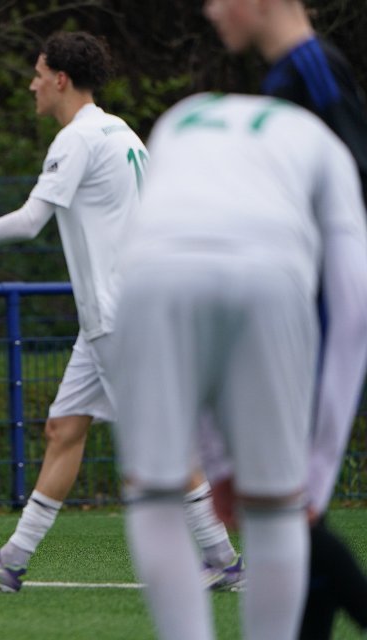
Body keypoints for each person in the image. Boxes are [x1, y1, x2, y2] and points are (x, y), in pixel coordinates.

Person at [0, 31, 240, 592]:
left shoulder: (79, 137)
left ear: (60, 79)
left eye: (39, 74)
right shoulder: (121, 132)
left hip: (120, 317)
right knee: (63, 429)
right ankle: (12, 561)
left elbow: (30, 221)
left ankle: (224, 559)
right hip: (109, 320)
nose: (32, 85)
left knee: (162, 443)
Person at [112, 92, 367, 640]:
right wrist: (315, 476)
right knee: (276, 511)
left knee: (155, 496)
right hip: (270, 272)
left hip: (152, 271)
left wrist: (218, 464)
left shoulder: (182, 115)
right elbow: (354, 309)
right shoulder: (326, 141)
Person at [204, 1, 367, 635]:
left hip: (323, 312)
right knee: (287, 511)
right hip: (300, 309)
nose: (211, 10)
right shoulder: (284, 78)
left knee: (284, 509)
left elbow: (352, 191)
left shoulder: (311, 69)